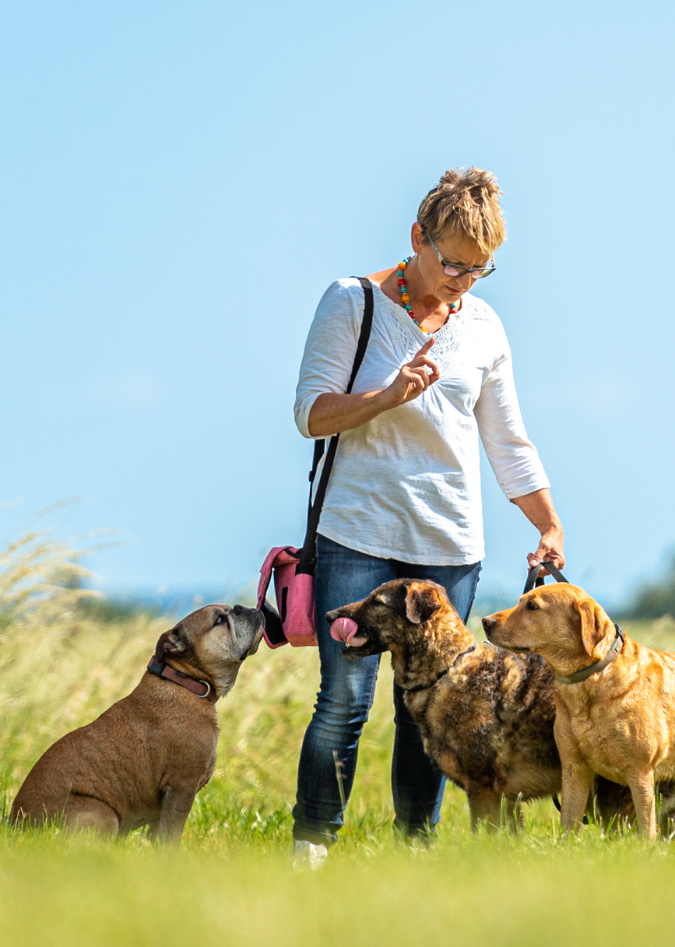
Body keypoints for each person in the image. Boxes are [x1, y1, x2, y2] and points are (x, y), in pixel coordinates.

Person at [287, 167, 562, 867]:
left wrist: (547, 525)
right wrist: (385, 396)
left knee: (433, 715)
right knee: (343, 703)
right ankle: (311, 852)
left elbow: (507, 441)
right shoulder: (353, 303)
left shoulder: (484, 327)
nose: (462, 281)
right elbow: (310, 415)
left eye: (480, 270)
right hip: (357, 537)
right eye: (452, 262)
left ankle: (416, 856)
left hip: (449, 548)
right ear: (418, 237)